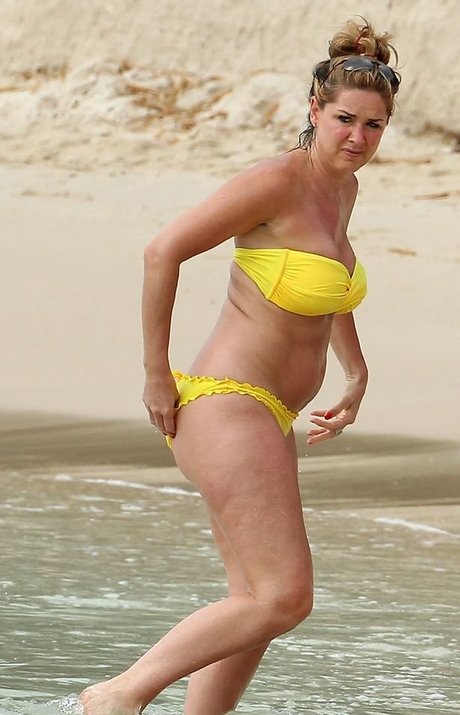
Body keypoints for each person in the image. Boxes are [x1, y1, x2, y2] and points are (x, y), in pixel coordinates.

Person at [81, 16, 400, 715]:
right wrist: (155, 373)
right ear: (314, 109)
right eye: (345, 119)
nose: (357, 137)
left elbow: (327, 288)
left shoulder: (342, 190)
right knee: (285, 596)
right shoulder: (275, 182)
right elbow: (162, 251)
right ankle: (116, 696)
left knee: (254, 602)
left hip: (268, 414)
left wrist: (356, 373)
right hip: (227, 403)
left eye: (373, 125)